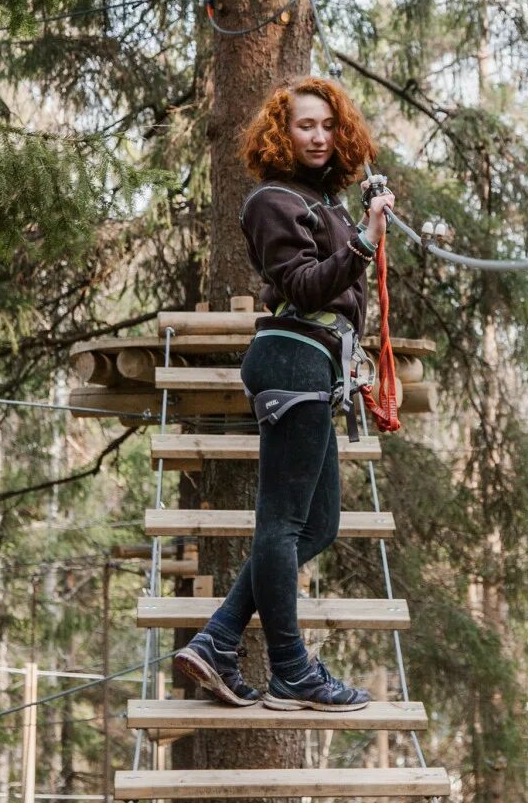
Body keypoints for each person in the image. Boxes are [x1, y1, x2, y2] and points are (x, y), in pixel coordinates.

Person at [174, 76, 395, 712]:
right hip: (291, 357)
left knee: (317, 524)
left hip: (316, 367)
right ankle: (292, 669)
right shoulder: (271, 200)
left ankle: (218, 640)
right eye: (305, 125)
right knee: (281, 522)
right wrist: (362, 242)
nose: (319, 136)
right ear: (283, 133)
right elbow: (302, 287)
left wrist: (362, 231)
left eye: (327, 125)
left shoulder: (324, 203)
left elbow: (343, 281)